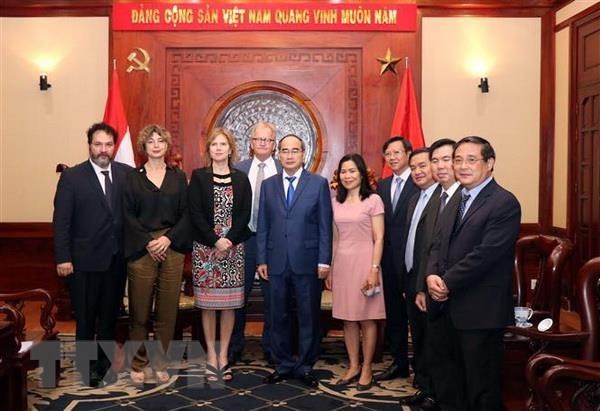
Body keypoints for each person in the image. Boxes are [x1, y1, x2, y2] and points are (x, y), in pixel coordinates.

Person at [426, 136, 521, 410]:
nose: (463, 166)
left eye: (471, 159)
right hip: (446, 308)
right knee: (451, 383)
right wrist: (431, 275)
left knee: (480, 387)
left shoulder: (503, 202)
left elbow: (486, 255)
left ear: (489, 164)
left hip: (480, 312)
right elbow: (437, 242)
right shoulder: (456, 197)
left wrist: (446, 281)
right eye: (458, 159)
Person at [52, 122, 132, 387]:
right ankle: (87, 369)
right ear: (89, 145)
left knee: (109, 318)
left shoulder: (126, 174)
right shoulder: (72, 177)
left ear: (114, 147)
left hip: (115, 261)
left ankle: (104, 364)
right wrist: (63, 258)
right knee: (86, 320)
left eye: (108, 144)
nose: (103, 150)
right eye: (98, 144)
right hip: (83, 263)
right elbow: (61, 222)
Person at [257, 134, 333, 388]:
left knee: (308, 315)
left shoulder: (318, 184)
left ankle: (305, 365)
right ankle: (284, 364)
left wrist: (324, 260)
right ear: (279, 154)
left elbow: (325, 226)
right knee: (277, 314)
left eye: (295, 151)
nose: (289, 155)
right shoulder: (268, 185)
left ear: (304, 154)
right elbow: (264, 225)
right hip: (276, 261)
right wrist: (261, 259)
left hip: (308, 262)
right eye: (285, 151)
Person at [123, 124, 189, 384]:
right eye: (150, 141)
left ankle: (161, 362)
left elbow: (187, 214)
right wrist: (149, 242)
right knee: (139, 310)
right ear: (144, 146)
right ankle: (137, 362)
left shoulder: (177, 177)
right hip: (141, 248)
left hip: (172, 247)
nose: (156, 145)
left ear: (166, 145)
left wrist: (167, 238)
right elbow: (126, 214)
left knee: (167, 311)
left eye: (160, 140)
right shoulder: (132, 178)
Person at [188, 127, 252, 382]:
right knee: (208, 306)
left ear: (230, 149)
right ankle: (211, 357)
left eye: (223, 144)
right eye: (214, 144)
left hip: (234, 249)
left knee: (228, 306)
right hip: (205, 250)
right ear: (209, 150)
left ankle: (224, 356)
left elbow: (245, 214)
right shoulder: (199, 177)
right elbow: (195, 213)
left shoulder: (241, 178)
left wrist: (229, 240)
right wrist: (215, 240)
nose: (218, 148)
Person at [326, 153, 385, 391]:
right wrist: (330, 267)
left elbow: (379, 237)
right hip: (342, 265)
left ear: (361, 173)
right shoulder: (334, 202)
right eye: (344, 171)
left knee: (367, 318)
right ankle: (353, 365)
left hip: (366, 264)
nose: (348, 175)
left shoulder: (373, 200)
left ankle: (368, 367)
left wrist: (374, 269)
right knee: (348, 318)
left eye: (352, 171)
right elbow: (335, 238)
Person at [230, 121, 282, 365]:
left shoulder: (284, 169)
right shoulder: (237, 170)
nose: (263, 143)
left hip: (274, 243)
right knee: (238, 297)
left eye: (268, 140)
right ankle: (234, 347)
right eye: (258, 139)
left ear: (274, 144)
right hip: (245, 241)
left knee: (274, 298)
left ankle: (272, 347)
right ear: (250, 143)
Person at [398, 147, 440, 409]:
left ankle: (433, 390)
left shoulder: (443, 199)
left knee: (432, 339)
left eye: (423, 165)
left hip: (430, 281)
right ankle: (423, 387)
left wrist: (423, 284)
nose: (418, 171)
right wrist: (410, 283)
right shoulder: (416, 198)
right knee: (420, 337)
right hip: (413, 278)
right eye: (413, 167)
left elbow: (433, 248)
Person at [375, 136, 419, 381]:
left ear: (409, 154)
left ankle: (422, 367)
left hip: (413, 262)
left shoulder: (420, 182)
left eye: (396, 153)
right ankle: (399, 363)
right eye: (388, 154)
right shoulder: (382, 185)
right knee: (394, 317)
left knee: (417, 317)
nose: (392, 158)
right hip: (389, 263)